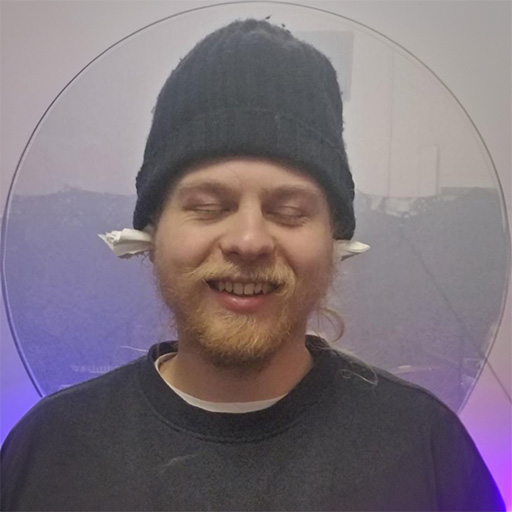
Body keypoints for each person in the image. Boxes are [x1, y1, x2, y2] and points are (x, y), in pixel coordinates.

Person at [1, 19, 505, 512]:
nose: (249, 241)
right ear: (152, 235)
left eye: (289, 211)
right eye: (208, 206)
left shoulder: (425, 451)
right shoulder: (50, 452)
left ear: (334, 242)